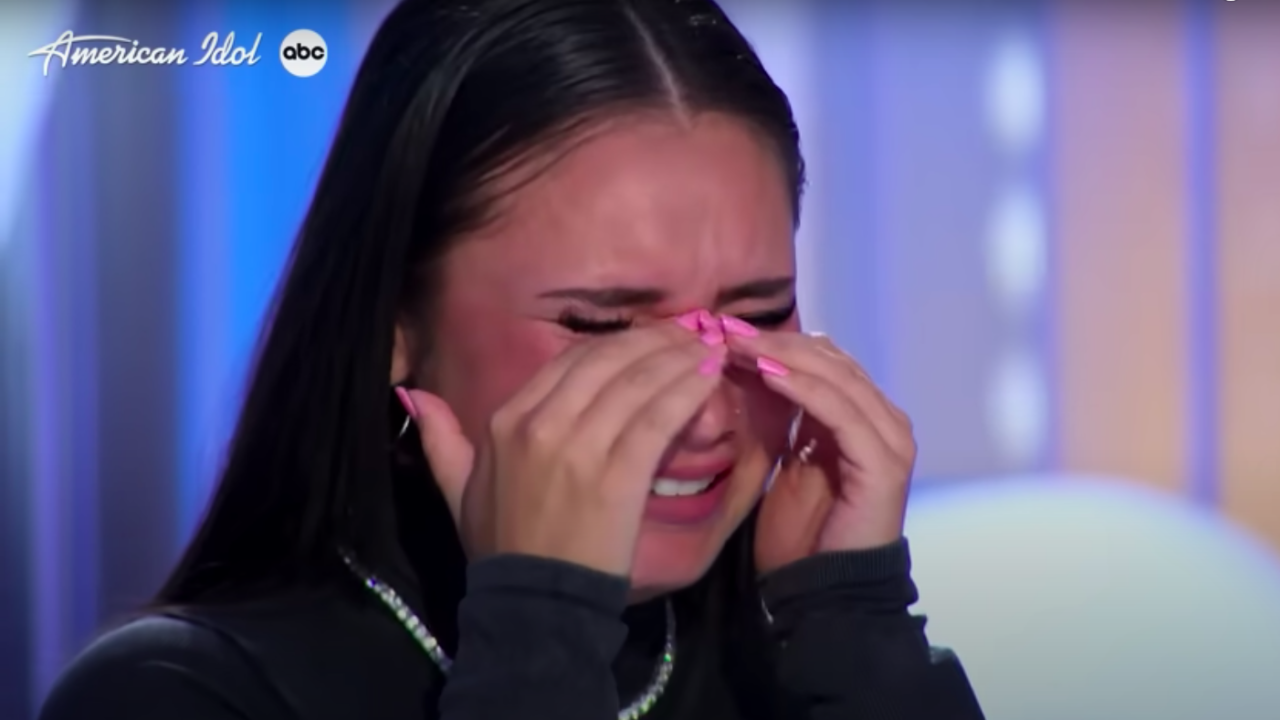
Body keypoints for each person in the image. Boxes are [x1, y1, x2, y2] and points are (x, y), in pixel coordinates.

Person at [39, 1, 986, 718]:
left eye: (758, 314)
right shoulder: (179, 694)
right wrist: (540, 639)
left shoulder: (815, 669)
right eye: (601, 327)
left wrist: (856, 630)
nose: (705, 411)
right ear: (395, 326)